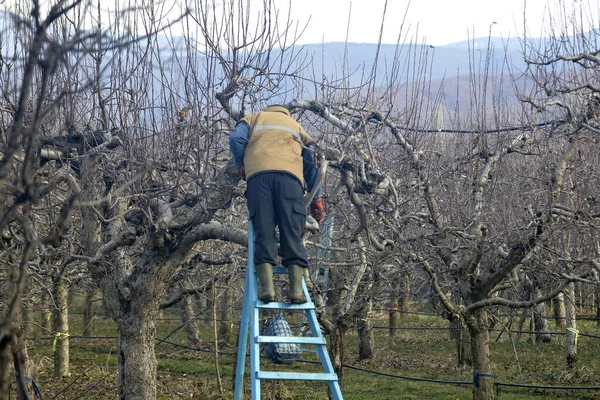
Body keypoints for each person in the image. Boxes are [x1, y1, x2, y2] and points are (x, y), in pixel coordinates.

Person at [229, 105, 325, 304]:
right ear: (286, 113)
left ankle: (267, 290)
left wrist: (243, 165)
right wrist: (317, 198)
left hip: (259, 179)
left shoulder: (252, 118)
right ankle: (296, 292)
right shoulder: (296, 126)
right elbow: (311, 160)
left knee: (263, 230)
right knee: (292, 231)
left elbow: (235, 139)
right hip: (290, 180)